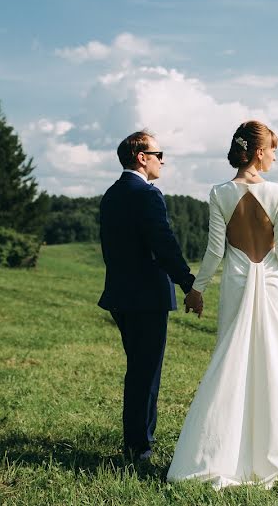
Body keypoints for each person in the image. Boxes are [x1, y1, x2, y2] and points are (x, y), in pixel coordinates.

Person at [167, 120, 278, 489]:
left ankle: (214, 451)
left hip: (235, 282)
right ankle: (272, 446)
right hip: (272, 285)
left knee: (229, 358)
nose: (275, 156)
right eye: (273, 149)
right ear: (259, 152)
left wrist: (197, 290)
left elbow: (215, 250)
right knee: (274, 360)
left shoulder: (218, 193)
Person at [98, 130, 201, 463]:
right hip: (147, 298)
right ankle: (138, 447)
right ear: (141, 157)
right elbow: (164, 244)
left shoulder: (111, 195)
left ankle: (136, 441)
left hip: (120, 295)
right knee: (146, 373)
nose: (162, 160)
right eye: (159, 154)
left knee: (137, 369)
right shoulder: (147, 195)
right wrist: (188, 284)